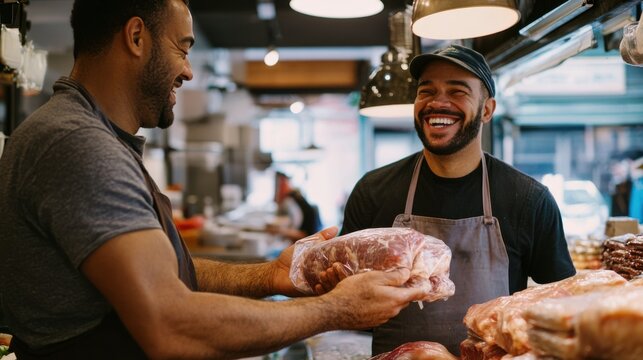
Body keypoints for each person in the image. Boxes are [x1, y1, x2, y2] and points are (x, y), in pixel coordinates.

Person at [0, 1, 429, 358]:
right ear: (136, 37)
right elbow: (170, 323)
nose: (188, 72)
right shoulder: (77, 143)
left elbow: (162, 274)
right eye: (182, 49)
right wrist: (336, 309)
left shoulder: (92, 136)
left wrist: (272, 276)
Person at [339, 45, 576, 356]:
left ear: (487, 110)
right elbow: (345, 305)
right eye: (427, 91)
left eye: (457, 91)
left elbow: (563, 310)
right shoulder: (373, 192)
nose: (438, 103)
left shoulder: (528, 200)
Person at [266, 172, 322, 242]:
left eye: (279, 186)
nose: (277, 191)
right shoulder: (293, 199)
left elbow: (304, 235)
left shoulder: (294, 202)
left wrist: (280, 230)